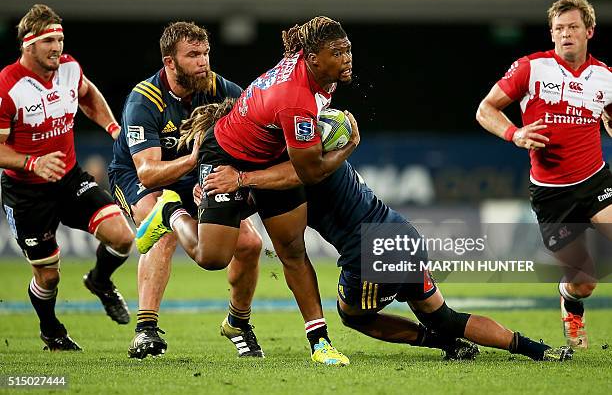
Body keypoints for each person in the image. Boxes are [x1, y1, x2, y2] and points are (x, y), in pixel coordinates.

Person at [193, 105, 573, 362]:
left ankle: (437, 342)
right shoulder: (308, 150)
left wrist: (230, 192)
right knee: (444, 315)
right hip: (400, 232)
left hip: (370, 252)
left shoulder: (288, 169)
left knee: (353, 316)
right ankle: (537, 350)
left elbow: (277, 194)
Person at [136, 16, 358, 365]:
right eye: (338, 52)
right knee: (212, 257)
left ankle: (320, 344)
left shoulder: (309, 63)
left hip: (268, 153)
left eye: (348, 50)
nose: (347, 58)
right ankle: (170, 212)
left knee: (293, 251)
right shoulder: (295, 99)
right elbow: (309, 172)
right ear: (313, 58)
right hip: (225, 154)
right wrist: (347, 147)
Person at [107, 21, 264, 359]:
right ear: (169, 62)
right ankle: (145, 330)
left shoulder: (223, 91)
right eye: (192, 55)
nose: (202, 62)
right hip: (138, 177)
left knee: (251, 244)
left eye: (205, 53)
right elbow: (147, 173)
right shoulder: (144, 100)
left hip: (194, 177)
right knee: (161, 229)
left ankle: (238, 322)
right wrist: (195, 160)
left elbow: (253, 139)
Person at [476, 0, 612, 349]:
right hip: (552, 195)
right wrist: (515, 133)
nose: (566, 34)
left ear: (589, 31)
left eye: (573, 27)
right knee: (584, 281)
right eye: (559, 29)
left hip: (596, 181)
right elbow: (485, 109)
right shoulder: (530, 68)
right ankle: (570, 298)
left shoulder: (605, 77)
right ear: (552, 34)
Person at [0, 4, 134, 351]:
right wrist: (31, 163)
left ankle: (100, 281)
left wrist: (112, 127)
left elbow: (87, 94)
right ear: (28, 45)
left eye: (59, 38)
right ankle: (51, 331)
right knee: (49, 275)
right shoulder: (7, 87)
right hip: (26, 192)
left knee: (121, 236)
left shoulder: (69, 68)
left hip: (68, 179)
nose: (57, 47)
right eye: (48, 40)